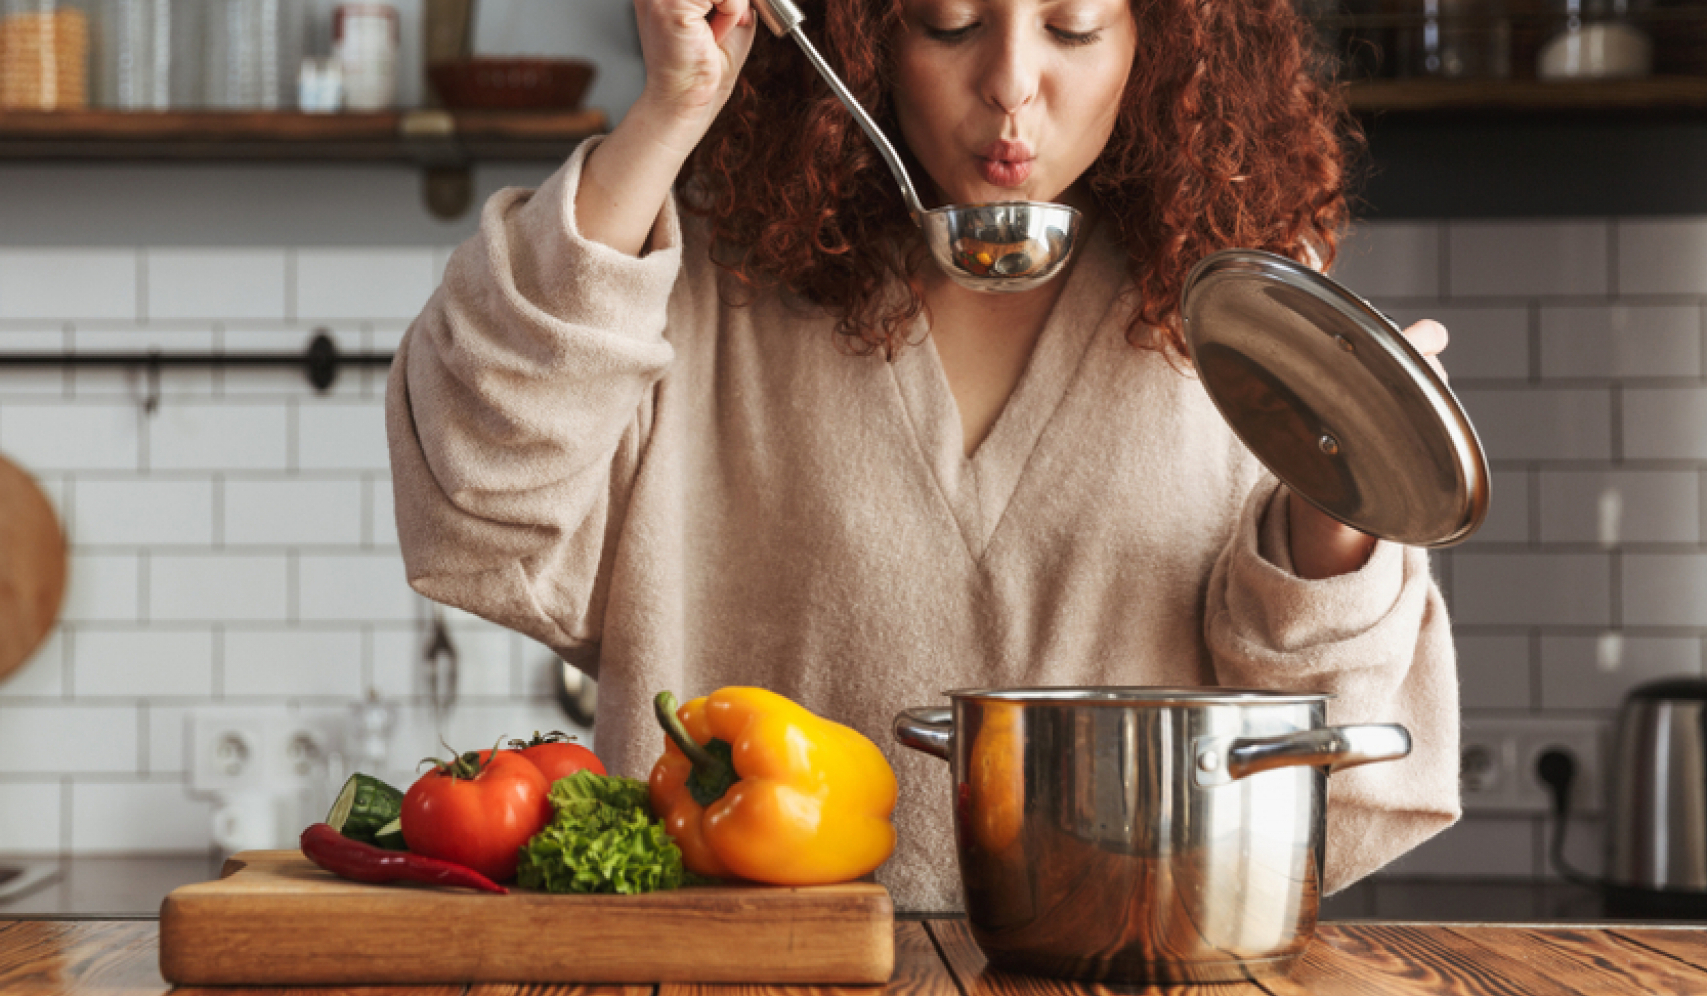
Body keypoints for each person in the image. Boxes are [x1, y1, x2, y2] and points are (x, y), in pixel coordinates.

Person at [387, 0, 1458, 910]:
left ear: (1163, 39)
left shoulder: (1243, 307)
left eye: (1075, 28)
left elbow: (1332, 740)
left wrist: (1342, 513)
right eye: (948, 22)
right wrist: (670, 115)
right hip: (736, 971)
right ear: (860, 34)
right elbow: (477, 490)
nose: (1010, 86)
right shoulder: (706, 273)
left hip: (1129, 965)